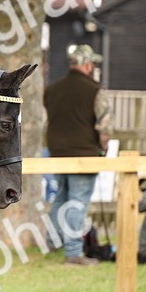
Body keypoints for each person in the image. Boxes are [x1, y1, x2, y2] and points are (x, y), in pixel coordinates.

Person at [45, 44, 112, 266]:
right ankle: (73, 253)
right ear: (87, 65)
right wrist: (103, 148)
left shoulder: (52, 89)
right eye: (92, 63)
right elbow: (105, 126)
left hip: (56, 152)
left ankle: (52, 242)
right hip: (83, 153)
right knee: (78, 201)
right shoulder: (95, 90)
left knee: (61, 196)